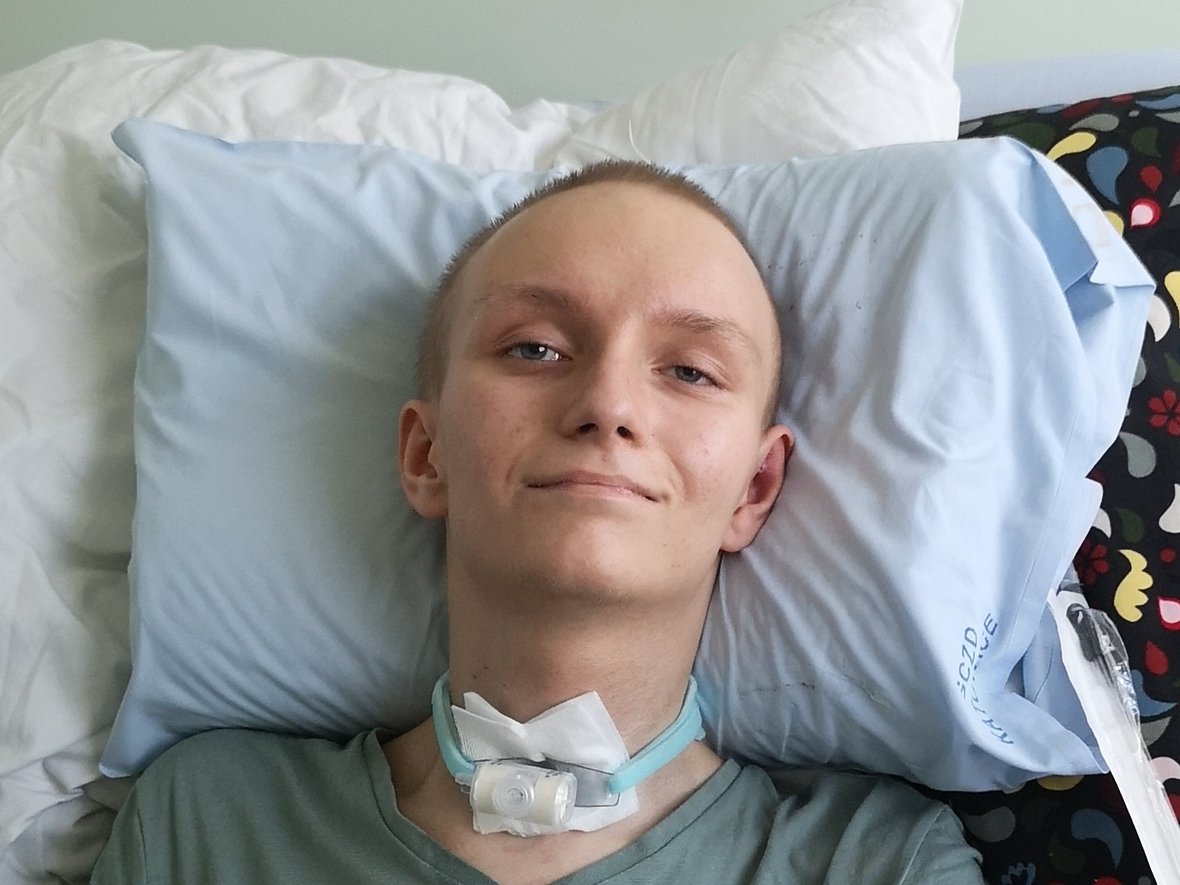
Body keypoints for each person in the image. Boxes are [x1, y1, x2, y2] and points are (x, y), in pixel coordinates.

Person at [92, 162, 984, 884]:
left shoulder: (875, 862)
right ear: (426, 454)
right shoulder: (207, 822)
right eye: (535, 348)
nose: (608, 404)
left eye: (689, 371)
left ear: (754, 486)